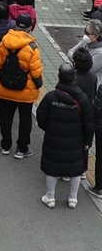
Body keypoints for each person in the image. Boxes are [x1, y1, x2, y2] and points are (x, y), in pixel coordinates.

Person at [37, 63, 93, 209]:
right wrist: (87, 141)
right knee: (75, 169)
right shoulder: (82, 98)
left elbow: (41, 116)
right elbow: (88, 122)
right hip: (76, 140)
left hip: (53, 139)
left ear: (59, 76)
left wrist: (49, 129)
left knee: (52, 168)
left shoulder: (51, 97)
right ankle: (73, 199)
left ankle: (50, 197)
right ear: (73, 77)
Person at [0, 12, 43, 158]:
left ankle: (5, 145)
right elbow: (36, 72)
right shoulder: (32, 47)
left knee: (6, 118)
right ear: (29, 29)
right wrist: (38, 85)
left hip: (5, 87)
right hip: (25, 91)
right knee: (25, 119)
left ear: (16, 25)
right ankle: (22, 148)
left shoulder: (4, 42)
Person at [67, 19, 102, 86]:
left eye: (88, 33)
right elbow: (70, 52)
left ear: (96, 35)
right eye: (85, 31)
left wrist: (75, 61)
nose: (85, 35)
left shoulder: (100, 53)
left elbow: (87, 69)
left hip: (91, 85)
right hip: (78, 79)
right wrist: (78, 62)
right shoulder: (86, 41)